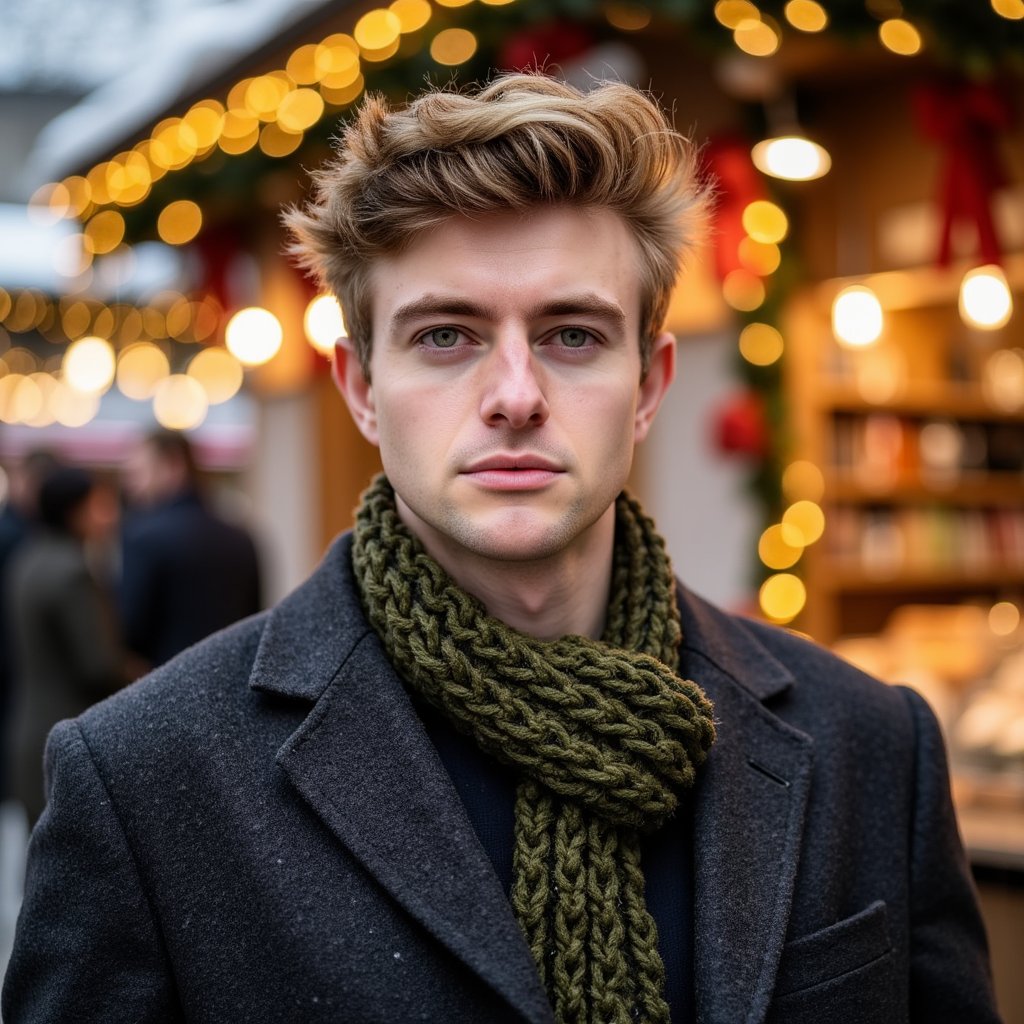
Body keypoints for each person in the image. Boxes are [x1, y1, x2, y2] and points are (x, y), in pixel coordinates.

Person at [2, 74, 1000, 1024]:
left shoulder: (869, 748)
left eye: (572, 335)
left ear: (649, 385)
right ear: (358, 386)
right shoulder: (147, 782)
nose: (515, 393)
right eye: (446, 336)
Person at [3, 466, 138, 825]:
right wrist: (145, 674)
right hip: (67, 732)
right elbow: (98, 665)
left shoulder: (27, 559)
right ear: (74, 510)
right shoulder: (73, 572)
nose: (110, 514)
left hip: (28, 728)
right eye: (100, 504)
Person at [118, 429, 262, 669]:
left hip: (165, 683)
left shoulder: (143, 536)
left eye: (139, 473)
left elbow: (131, 631)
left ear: (173, 465)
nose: (132, 486)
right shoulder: (241, 536)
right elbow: (256, 616)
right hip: (234, 678)